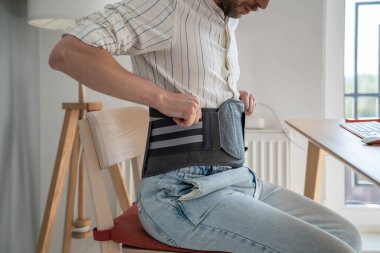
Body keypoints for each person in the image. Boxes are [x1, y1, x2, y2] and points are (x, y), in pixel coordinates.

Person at [49, 0, 362, 252]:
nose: (264, 4)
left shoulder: (225, 20)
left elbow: (194, 85)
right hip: (182, 196)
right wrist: (161, 98)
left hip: (239, 180)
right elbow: (68, 53)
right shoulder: (169, 7)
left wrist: (229, 101)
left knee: (348, 236)